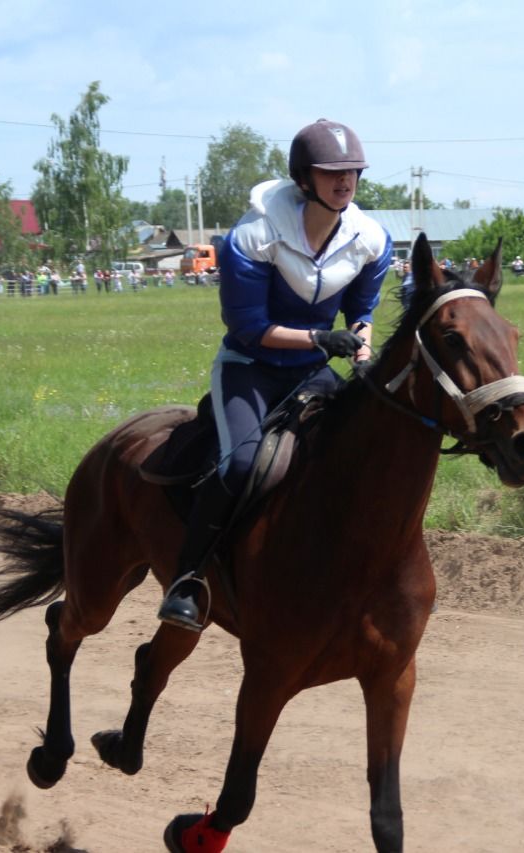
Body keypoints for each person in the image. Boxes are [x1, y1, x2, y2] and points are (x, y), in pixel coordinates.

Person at [158, 118, 393, 632]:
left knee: (356, 455)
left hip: (311, 372)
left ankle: (374, 576)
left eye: (352, 172)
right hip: (249, 370)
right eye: (332, 172)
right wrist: (317, 339)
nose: (345, 181)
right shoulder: (253, 234)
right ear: (304, 178)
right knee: (241, 466)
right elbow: (247, 329)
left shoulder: (370, 238)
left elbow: (362, 312)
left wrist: (362, 353)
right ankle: (188, 579)